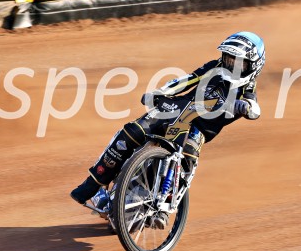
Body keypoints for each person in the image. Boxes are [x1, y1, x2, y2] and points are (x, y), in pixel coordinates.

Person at [70, 32, 265, 228]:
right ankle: (94, 184)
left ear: (253, 66)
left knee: (187, 157)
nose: (231, 65)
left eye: (239, 62)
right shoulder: (215, 67)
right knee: (132, 132)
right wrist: (161, 92)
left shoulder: (247, 88)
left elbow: (254, 108)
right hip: (177, 109)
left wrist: (246, 107)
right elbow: (189, 80)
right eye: (229, 58)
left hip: (197, 128)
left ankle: (163, 206)